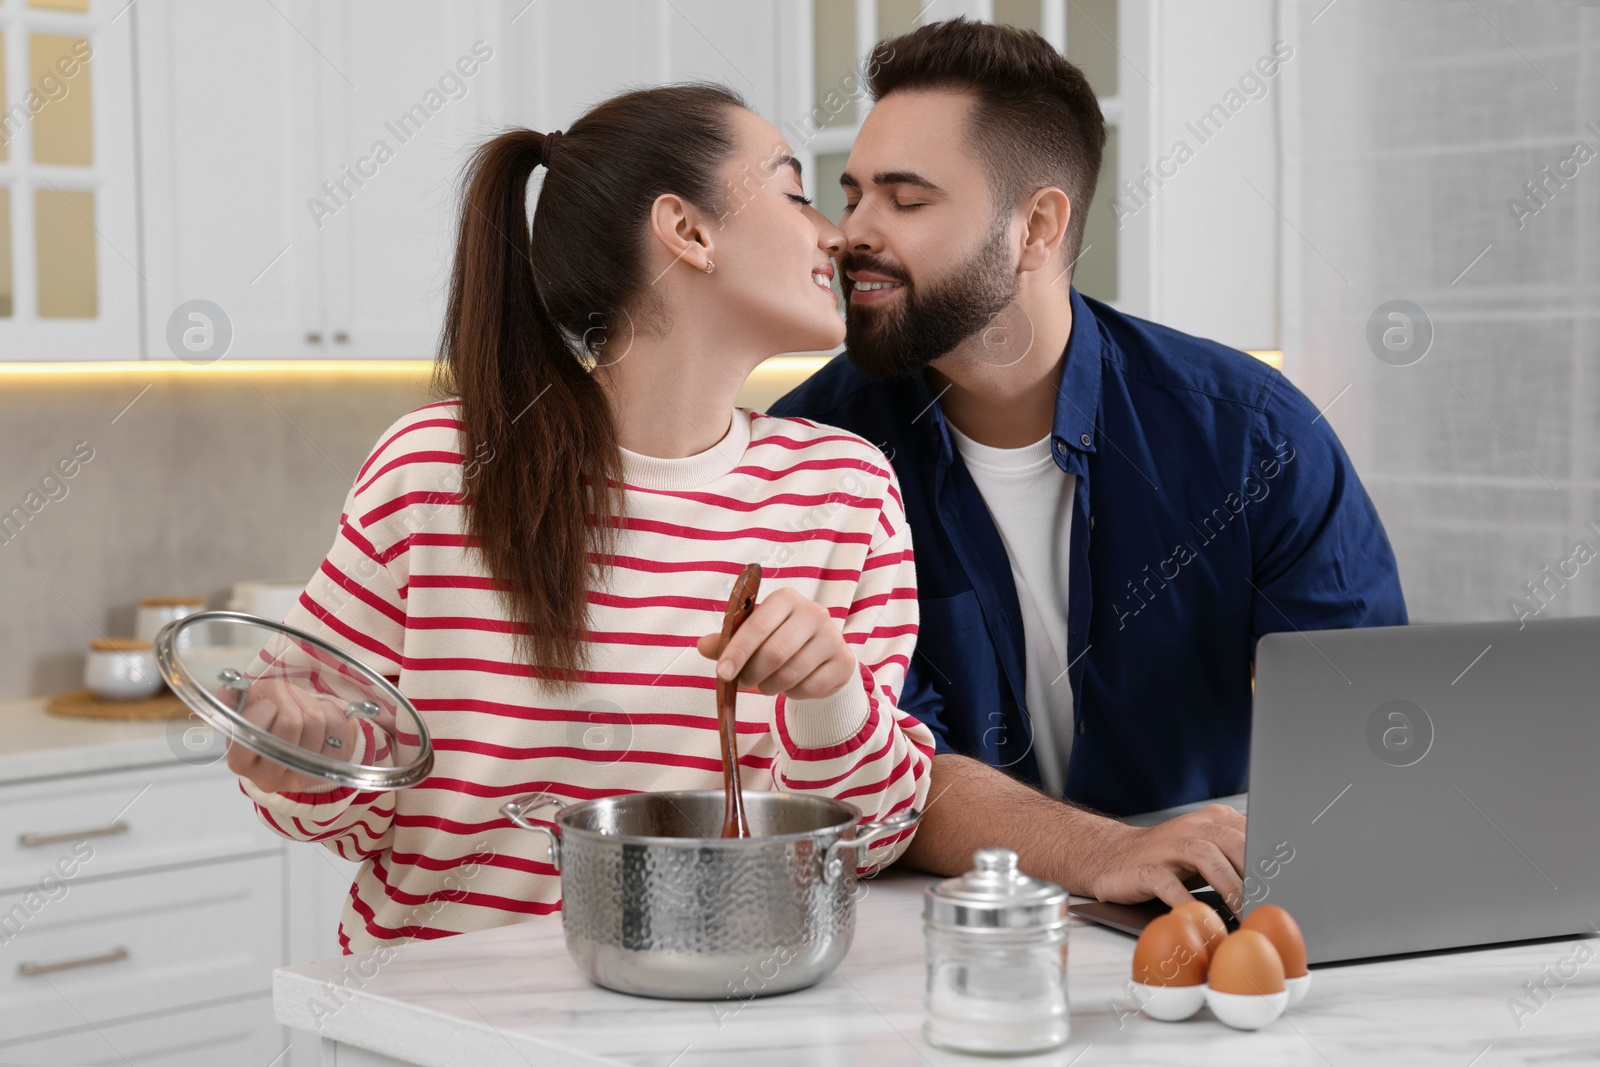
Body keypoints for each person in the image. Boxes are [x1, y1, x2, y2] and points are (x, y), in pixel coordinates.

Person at [228, 84, 933, 954]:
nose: (836, 233)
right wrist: (304, 750)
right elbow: (339, 809)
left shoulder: (845, 491)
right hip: (435, 1024)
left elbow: (874, 838)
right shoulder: (438, 467)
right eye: (795, 194)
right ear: (689, 231)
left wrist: (829, 696)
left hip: (705, 1017)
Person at [771, 18, 1407, 914]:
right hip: (930, 944)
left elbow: (1367, 732)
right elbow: (877, 770)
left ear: (1036, 225)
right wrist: (1104, 849)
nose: (850, 233)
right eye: (853, 193)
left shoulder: (1253, 438)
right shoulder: (807, 457)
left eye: (905, 200)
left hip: (1205, 925)